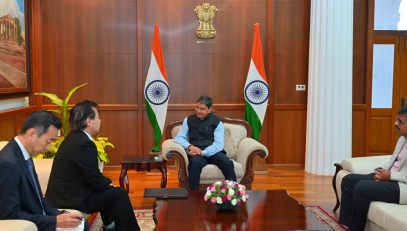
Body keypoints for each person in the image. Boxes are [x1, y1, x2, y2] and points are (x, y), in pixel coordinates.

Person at [45, 100, 140, 231]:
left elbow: (90, 174)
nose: (100, 120)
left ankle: (110, 226)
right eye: (98, 117)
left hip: (64, 195)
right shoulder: (84, 144)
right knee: (119, 194)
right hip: (71, 199)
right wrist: (108, 184)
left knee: (107, 191)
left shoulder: (73, 138)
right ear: (89, 121)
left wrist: (105, 184)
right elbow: (94, 179)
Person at [0, 110, 83, 231]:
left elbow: (37, 199)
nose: (49, 147)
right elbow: (10, 215)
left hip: (38, 218)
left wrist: (59, 214)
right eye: (48, 141)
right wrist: (54, 221)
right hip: (28, 226)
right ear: (32, 134)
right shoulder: (8, 164)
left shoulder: (23, 153)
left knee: (81, 223)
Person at [339, 106, 407, 231]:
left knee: (362, 187)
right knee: (348, 180)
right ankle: (346, 224)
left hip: (402, 186)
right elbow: (393, 161)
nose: (395, 124)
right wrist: (380, 171)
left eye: (400, 121)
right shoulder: (402, 139)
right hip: (390, 178)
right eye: (396, 120)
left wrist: (389, 176)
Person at [174, 95, 236, 190]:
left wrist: (203, 152)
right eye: (197, 107)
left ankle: (233, 194)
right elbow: (179, 138)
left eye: (202, 109)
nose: (198, 111)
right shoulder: (188, 120)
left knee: (227, 163)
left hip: (213, 152)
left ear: (209, 109)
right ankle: (194, 196)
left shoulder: (217, 122)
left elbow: (219, 144)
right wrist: (190, 146)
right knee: (194, 163)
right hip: (196, 154)